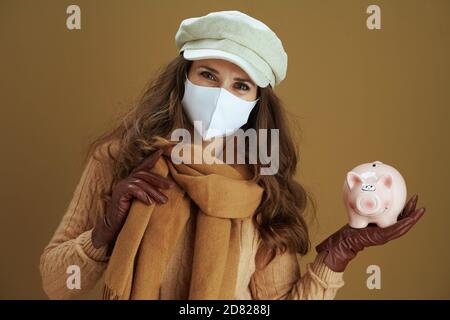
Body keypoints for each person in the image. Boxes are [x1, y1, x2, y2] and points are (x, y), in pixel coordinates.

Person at [40, 10, 425, 300]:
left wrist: (343, 249)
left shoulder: (261, 182)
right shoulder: (118, 160)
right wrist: (107, 227)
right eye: (208, 75)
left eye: (240, 85)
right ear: (183, 77)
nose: (221, 95)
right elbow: (57, 284)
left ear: (256, 102)